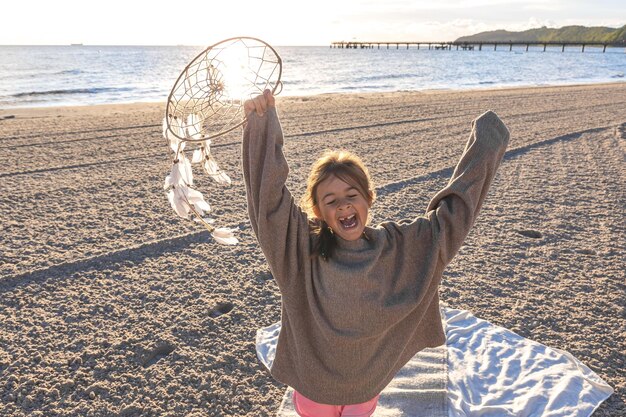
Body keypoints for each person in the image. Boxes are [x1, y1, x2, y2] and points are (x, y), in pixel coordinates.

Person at [242, 89, 509, 417]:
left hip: (364, 392)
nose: (343, 205)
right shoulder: (300, 249)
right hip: (314, 392)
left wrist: (487, 144)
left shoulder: (395, 247)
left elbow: (450, 220)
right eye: (331, 200)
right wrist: (261, 125)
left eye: (351, 194)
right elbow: (268, 202)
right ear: (318, 211)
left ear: (368, 198)